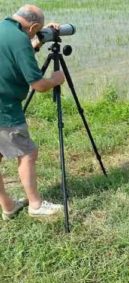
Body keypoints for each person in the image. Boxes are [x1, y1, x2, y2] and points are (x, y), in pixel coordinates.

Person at [0, 4, 65, 220]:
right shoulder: (20, 40)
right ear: (34, 26)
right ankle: (36, 205)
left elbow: (12, 59)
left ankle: (8, 205)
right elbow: (38, 84)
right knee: (27, 153)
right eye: (37, 31)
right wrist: (55, 80)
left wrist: (36, 43)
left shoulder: (4, 28)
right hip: (5, 109)